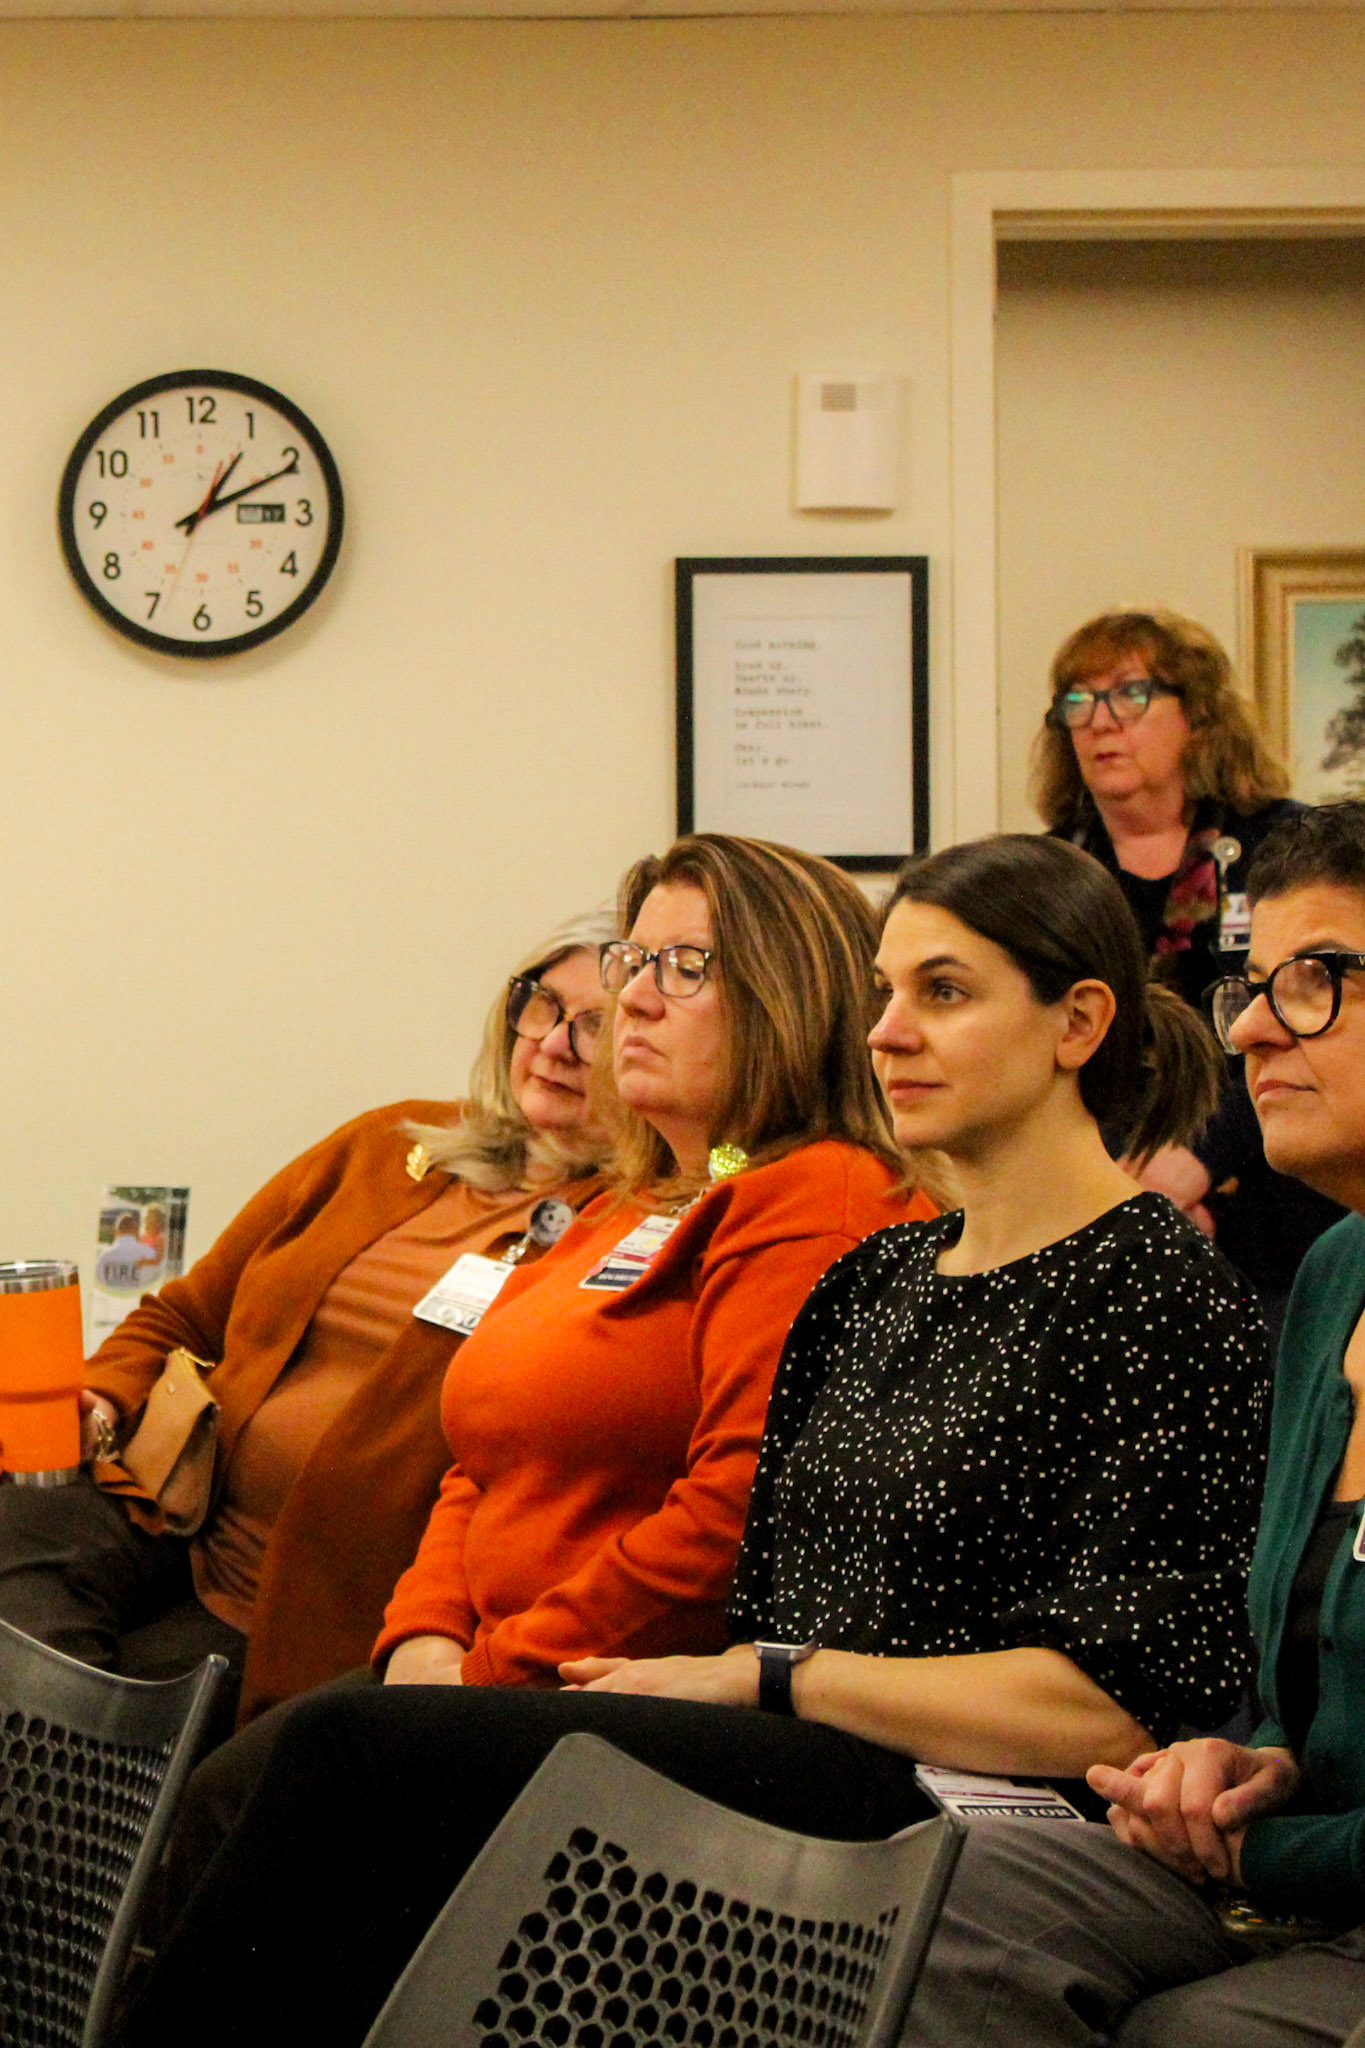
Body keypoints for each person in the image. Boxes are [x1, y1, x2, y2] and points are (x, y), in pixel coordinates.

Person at [117, 834, 1269, 2048]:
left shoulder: (1154, 1289)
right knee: (356, 1835)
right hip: (791, 1725)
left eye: (944, 992)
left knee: (351, 1759)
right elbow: (743, 1561)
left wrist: (768, 1675)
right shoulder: (881, 1275)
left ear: (1077, 1023)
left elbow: (1118, 1708)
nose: (887, 1033)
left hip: (963, 1785)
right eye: (884, 992)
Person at [146, 829, 927, 1883]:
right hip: (479, 1662)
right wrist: (424, 1631)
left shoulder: (814, 1196)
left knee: (269, 1791)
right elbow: (479, 1454)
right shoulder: (631, 1198)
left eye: (684, 967)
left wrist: (485, 1670)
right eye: (634, 961)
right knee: (226, 1799)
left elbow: (732, 1512)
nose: (635, 1000)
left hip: (617, 1690)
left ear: (788, 995)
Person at [900, 801, 1365, 2048]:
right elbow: (1307, 1687)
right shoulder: (1332, 1276)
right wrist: (1248, 1763)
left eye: (1316, 981)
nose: (1251, 1028)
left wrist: (1265, 1839)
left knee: (1197, 2032)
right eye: (1253, 987)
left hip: (1305, 1879)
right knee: (938, 1902)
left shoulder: (1170, 1282)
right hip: (1289, 1871)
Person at [0, 905, 617, 1729]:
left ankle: (68, 1777)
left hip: (309, 1601)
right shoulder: (387, 1144)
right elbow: (186, 1314)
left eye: (595, 1026)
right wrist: (102, 1402)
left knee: (104, 1712)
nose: (553, 1044)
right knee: (16, 1546)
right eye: (542, 1005)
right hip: (175, 1511)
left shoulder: (627, 1226)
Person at [1036, 605, 1342, 1323]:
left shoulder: (1287, 847)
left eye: (1129, 694)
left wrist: (1199, 1163)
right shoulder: (1047, 873)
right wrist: (1131, 1191)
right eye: (1078, 700)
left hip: (1280, 1220)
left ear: (1199, 717)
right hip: (1100, 1209)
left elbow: (1313, 1026)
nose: (1100, 722)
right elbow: (1042, 1045)